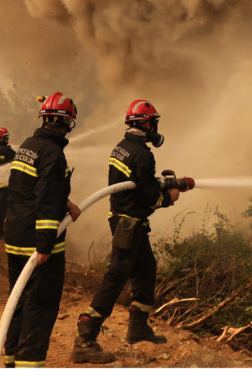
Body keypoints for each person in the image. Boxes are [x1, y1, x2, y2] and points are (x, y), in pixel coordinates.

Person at [73, 99, 194, 363]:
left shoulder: (123, 147)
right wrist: (169, 196)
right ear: (145, 123)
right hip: (129, 224)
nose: (155, 127)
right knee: (116, 276)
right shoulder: (142, 153)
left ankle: (138, 328)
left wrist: (168, 182)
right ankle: (85, 337)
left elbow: (140, 183)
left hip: (125, 220)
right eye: (153, 122)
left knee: (147, 268)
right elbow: (149, 196)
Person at [2, 94, 83, 368]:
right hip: (37, 244)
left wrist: (66, 202)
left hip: (16, 236)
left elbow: (27, 191)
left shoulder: (28, 146)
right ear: (67, 122)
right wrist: (46, 245)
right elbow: (46, 202)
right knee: (39, 308)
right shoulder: (53, 154)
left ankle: (11, 361)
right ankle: (29, 366)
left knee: (18, 304)